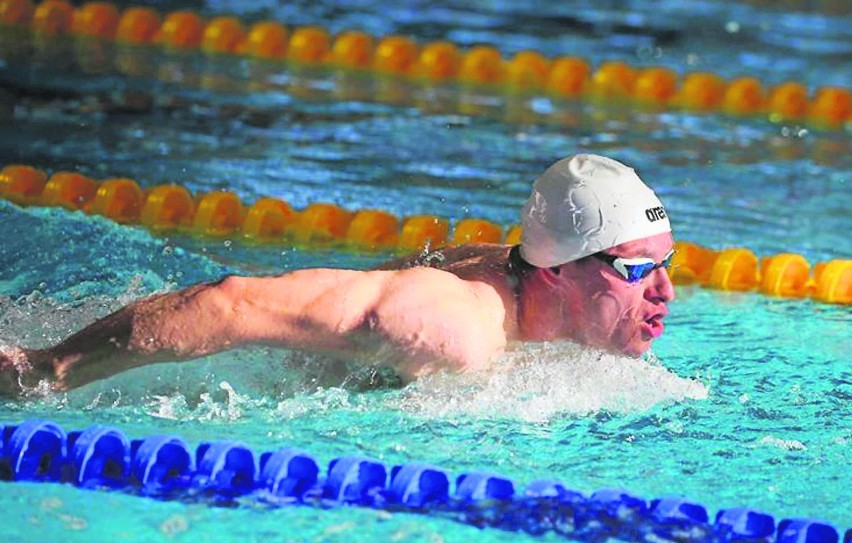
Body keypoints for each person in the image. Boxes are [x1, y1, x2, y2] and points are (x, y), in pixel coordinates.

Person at [0, 153, 675, 396]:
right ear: (558, 273)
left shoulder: (531, 273)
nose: (665, 291)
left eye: (666, 265)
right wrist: (48, 369)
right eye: (639, 268)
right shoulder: (447, 327)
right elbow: (232, 304)